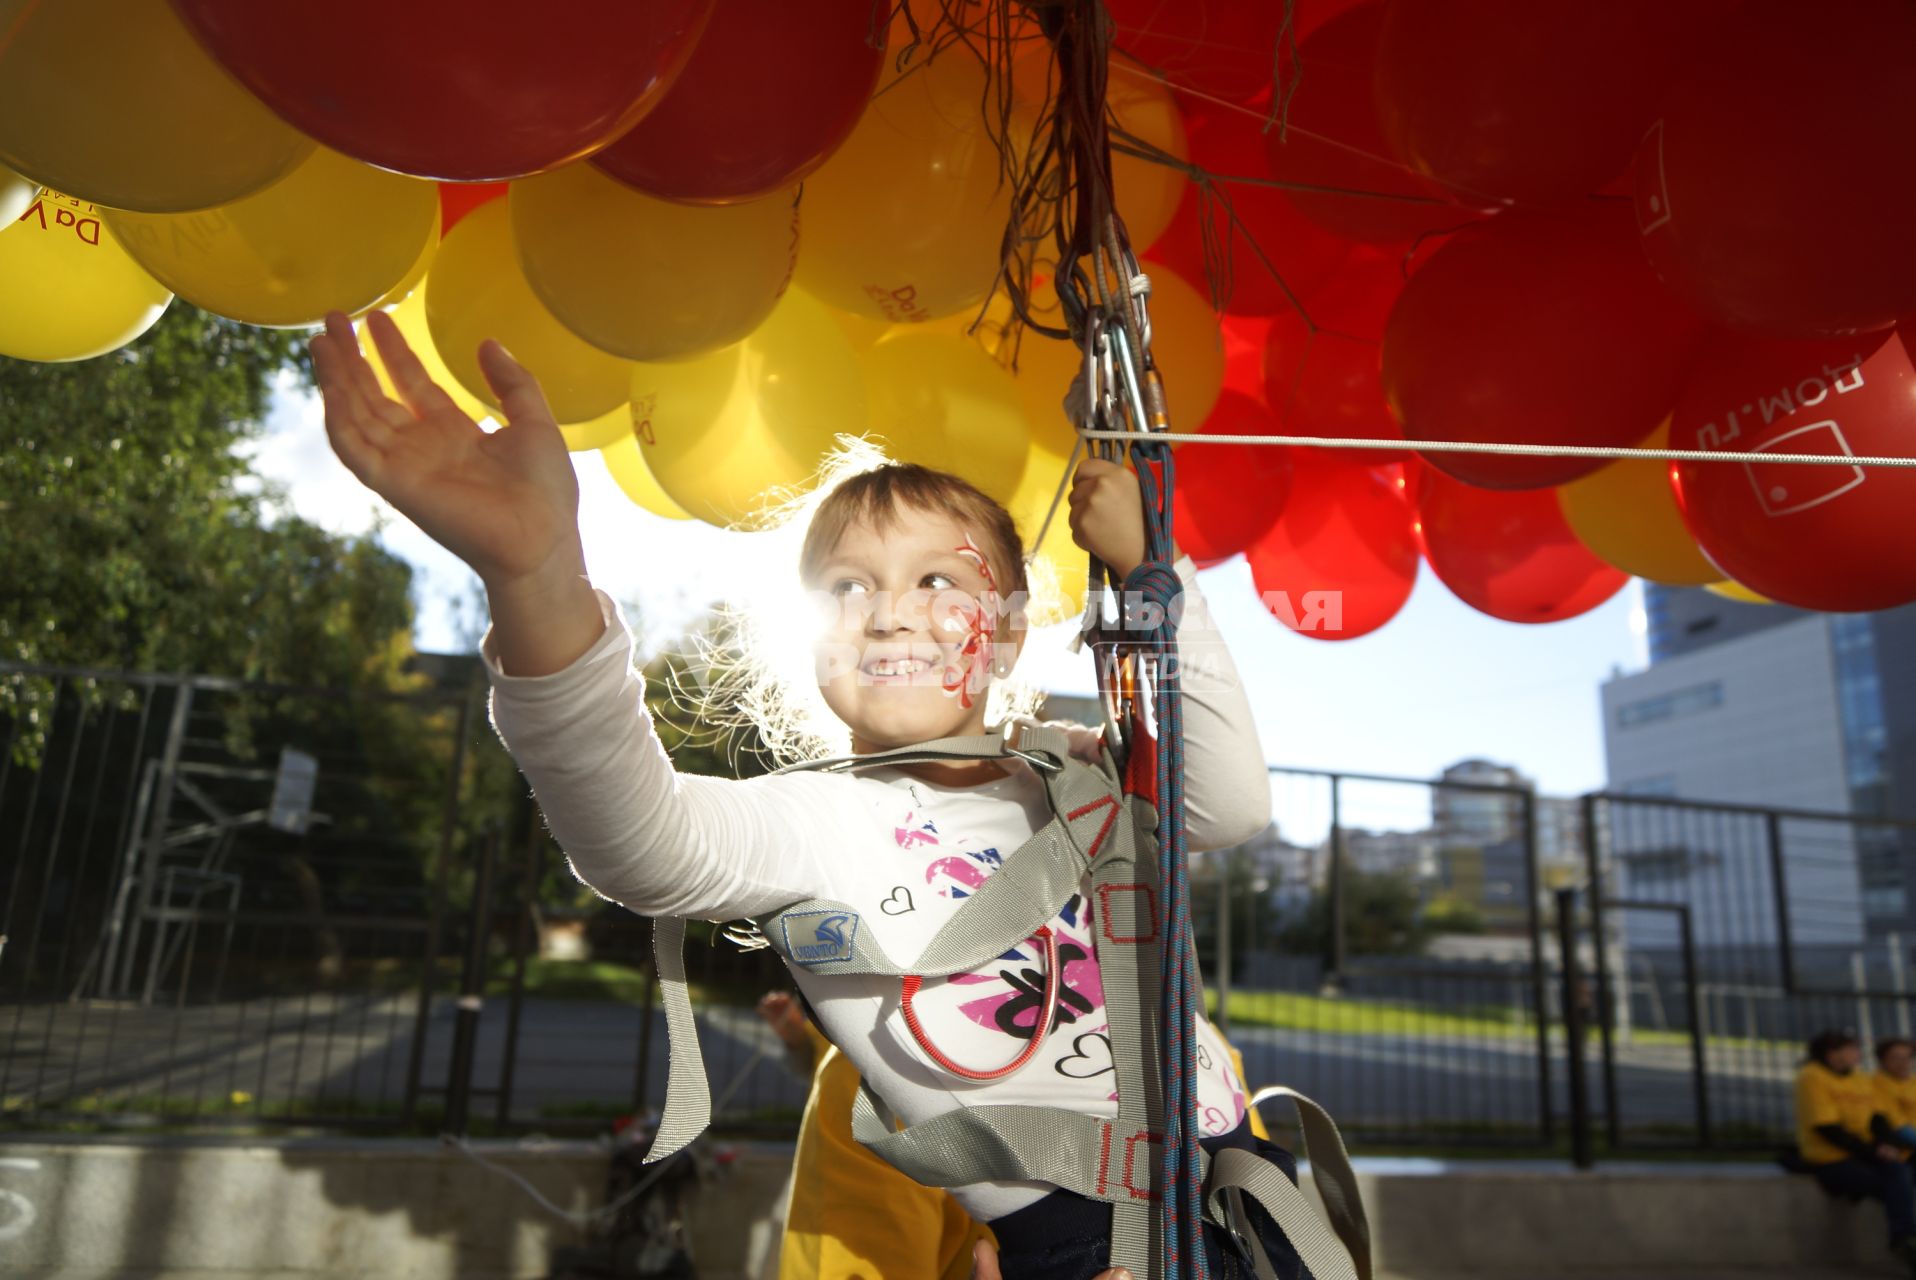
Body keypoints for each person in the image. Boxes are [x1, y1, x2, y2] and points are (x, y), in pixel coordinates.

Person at [309, 309, 1293, 1279]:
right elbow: (634, 834)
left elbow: (1226, 802)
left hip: (1256, 1197)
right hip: (1094, 1241)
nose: (888, 613)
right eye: (847, 586)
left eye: (936, 579)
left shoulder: (1074, 769)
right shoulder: (815, 822)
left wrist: (1155, 574)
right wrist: (536, 574)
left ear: (1000, 628)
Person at [1796, 1029, 1916, 1271]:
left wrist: (1887, 1144)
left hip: (1865, 1153)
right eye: (1852, 1049)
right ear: (1832, 1054)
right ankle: (1904, 1240)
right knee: (1897, 1184)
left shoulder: (1859, 1078)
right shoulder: (1812, 1077)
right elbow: (1828, 1128)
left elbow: (1877, 1120)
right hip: (1831, 1158)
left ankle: (1903, 1238)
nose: (1857, 1054)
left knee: (1900, 1174)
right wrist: (1875, 1151)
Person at [1876, 1038, 1916, 1150]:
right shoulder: (1877, 1085)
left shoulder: (1913, 1082)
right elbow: (1898, 1124)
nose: (1903, 1062)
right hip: (1905, 1149)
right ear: (1882, 1061)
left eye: (1908, 1057)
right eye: (1896, 1058)